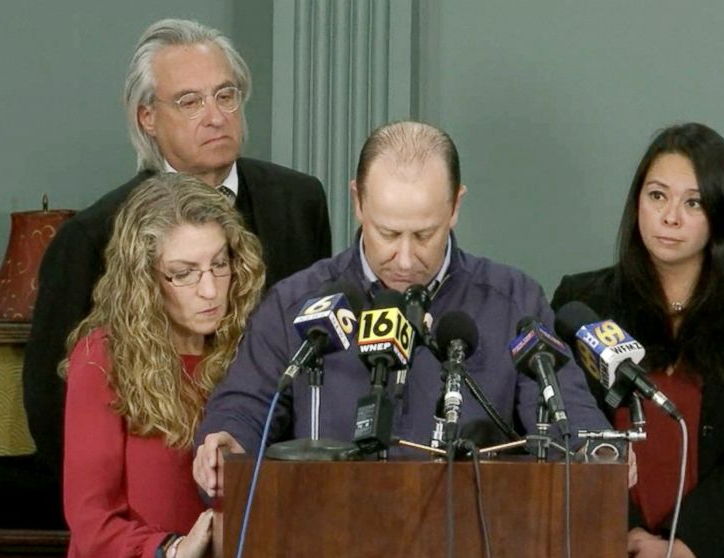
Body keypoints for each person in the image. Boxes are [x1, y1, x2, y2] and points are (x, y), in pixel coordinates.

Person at [0, 18, 331, 557]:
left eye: (226, 95)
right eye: (190, 102)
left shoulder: (300, 200)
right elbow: (54, 408)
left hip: (267, 473)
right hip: (134, 477)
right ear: (148, 117)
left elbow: (315, 354)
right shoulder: (90, 237)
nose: (216, 116)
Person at [193, 121, 610, 497]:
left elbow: (566, 412)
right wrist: (226, 440)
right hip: (327, 530)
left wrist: (595, 449)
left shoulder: (513, 300)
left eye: (425, 234)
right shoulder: (296, 302)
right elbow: (244, 407)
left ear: (456, 207)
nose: (406, 259)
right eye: (388, 233)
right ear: (358, 200)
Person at [551, 122, 724, 558]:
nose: (670, 217)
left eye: (694, 202)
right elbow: (563, 426)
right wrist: (628, 534)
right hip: (607, 537)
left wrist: (686, 543)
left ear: (722, 215)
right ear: (638, 203)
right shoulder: (582, 302)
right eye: (657, 196)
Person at [62, 174, 264, 558]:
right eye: (184, 273)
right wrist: (169, 550)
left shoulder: (254, 348)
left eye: (220, 264)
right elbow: (92, 520)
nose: (210, 290)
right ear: (145, 279)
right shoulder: (102, 358)